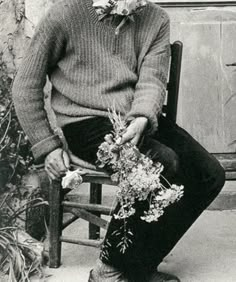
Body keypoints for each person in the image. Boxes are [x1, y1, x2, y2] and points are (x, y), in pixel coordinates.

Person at [12, 0, 225, 281]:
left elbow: (152, 79)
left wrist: (142, 117)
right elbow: (25, 85)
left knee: (210, 174)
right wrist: (47, 146)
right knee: (162, 162)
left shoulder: (156, 18)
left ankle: (137, 266)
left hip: (134, 117)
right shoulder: (65, 13)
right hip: (84, 122)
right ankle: (108, 270)